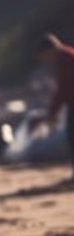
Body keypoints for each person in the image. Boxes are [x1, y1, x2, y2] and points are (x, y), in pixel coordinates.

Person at [35, 33, 74, 180]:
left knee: (72, 136)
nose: (45, 60)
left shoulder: (65, 58)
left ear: (49, 50)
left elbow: (63, 89)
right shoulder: (68, 54)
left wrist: (52, 114)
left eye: (44, 56)